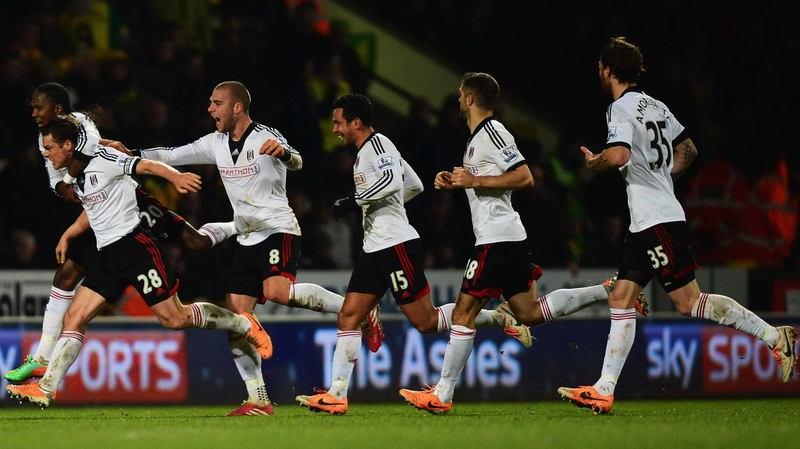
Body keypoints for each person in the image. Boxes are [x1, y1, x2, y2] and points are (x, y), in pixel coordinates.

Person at [103, 81, 383, 416]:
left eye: (216, 103)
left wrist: (285, 154)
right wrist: (131, 154)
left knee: (278, 292)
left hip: (277, 228)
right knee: (237, 320)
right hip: (246, 237)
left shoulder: (266, 135)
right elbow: (172, 154)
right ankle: (259, 400)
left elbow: (298, 162)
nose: (210, 109)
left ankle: (359, 310)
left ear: (237, 107)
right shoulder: (215, 143)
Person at [557, 37, 798, 414]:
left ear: (607, 70)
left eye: (600, 69)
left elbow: (618, 154)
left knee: (688, 302)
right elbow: (688, 150)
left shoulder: (618, 108)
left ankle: (774, 336)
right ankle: (604, 388)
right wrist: (662, 178)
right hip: (649, 219)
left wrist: (596, 163)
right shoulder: (657, 105)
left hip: (657, 220)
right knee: (621, 297)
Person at [6, 115, 272, 409]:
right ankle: (46, 388)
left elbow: (145, 165)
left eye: (49, 147)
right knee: (74, 318)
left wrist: (176, 177)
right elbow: (95, 208)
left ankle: (239, 322)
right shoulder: (74, 173)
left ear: (68, 145)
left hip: (136, 249)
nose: (45, 153)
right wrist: (69, 234)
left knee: (175, 319)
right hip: (108, 255)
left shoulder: (104, 158)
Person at [294, 93, 533, 415]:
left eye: (338, 122)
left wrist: (356, 201)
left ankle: (496, 316)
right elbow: (415, 184)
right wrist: (383, 209)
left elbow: (393, 181)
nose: (335, 128)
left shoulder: (377, 146)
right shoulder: (371, 151)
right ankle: (337, 394)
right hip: (374, 247)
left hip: (395, 246)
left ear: (356, 122)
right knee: (350, 314)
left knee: (425, 321)